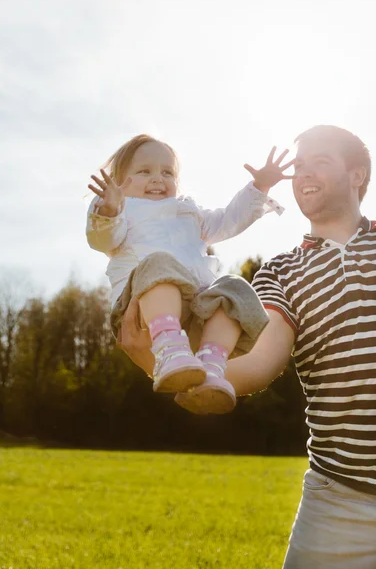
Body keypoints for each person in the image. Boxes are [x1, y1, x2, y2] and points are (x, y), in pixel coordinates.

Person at [118, 125, 376, 569]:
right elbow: (258, 363)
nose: (304, 173)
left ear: (357, 176)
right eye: (299, 165)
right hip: (339, 500)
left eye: (321, 161)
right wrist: (158, 363)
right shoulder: (281, 273)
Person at [86, 134, 292, 413]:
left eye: (167, 172)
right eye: (145, 171)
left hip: (195, 313)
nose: (158, 178)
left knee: (235, 287)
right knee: (159, 263)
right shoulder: (121, 209)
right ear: (121, 180)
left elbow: (228, 220)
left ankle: (211, 366)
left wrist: (260, 186)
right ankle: (170, 349)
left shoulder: (188, 212)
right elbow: (103, 241)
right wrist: (109, 209)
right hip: (142, 309)